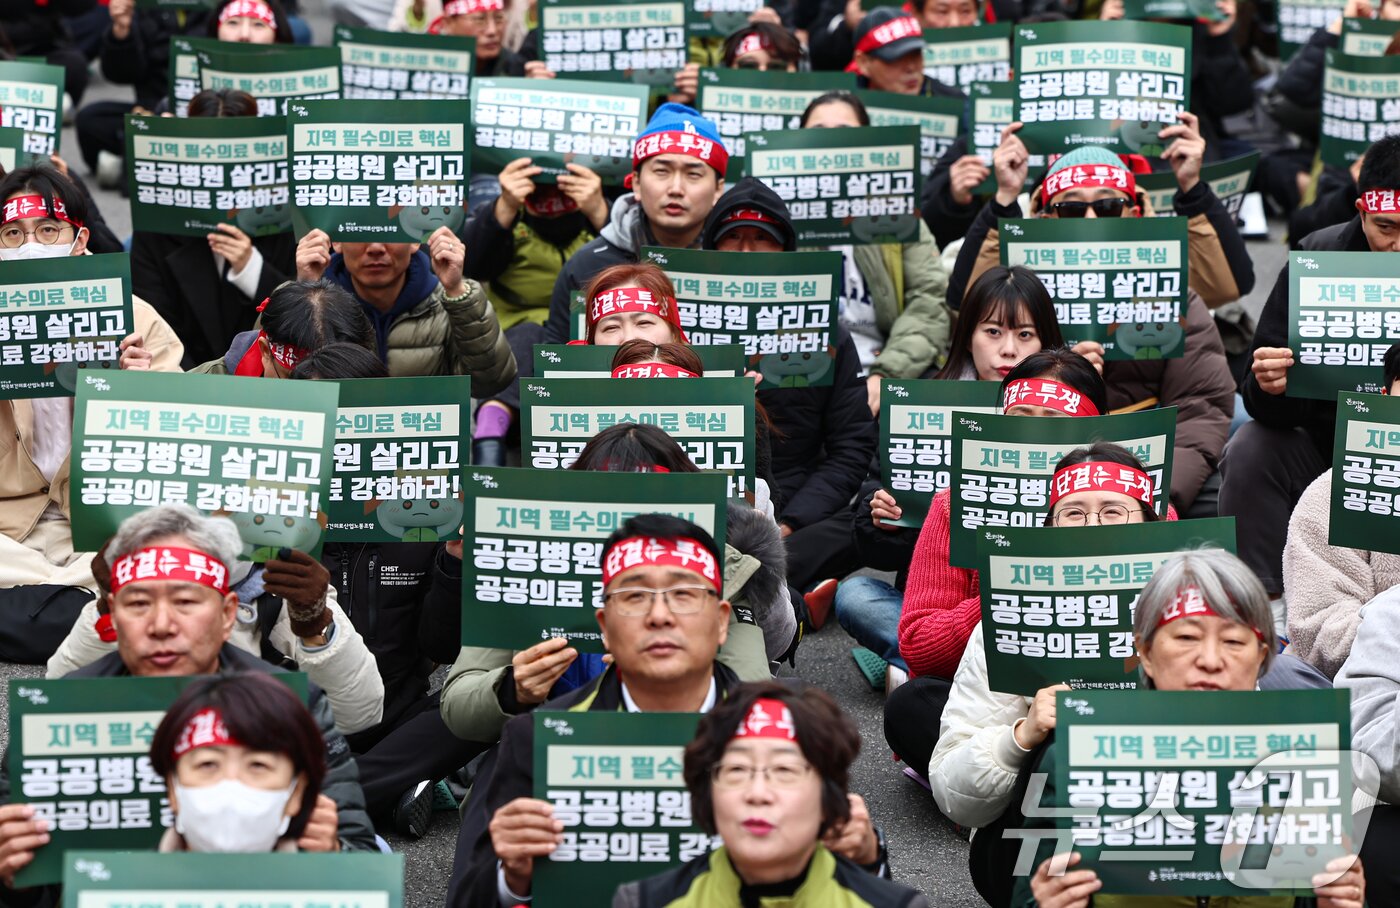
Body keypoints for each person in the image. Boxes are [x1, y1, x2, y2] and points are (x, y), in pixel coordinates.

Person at [0, 505, 376, 896]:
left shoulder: (291, 705)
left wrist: (331, 855)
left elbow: (361, 861)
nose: (162, 625)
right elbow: (34, 887)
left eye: (185, 602)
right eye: (139, 603)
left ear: (227, 614)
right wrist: (12, 877)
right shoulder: (60, 711)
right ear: (111, 613)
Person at [448, 514, 823, 906]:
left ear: (721, 621)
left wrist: (853, 860)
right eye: (635, 597)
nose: (659, 615)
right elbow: (478, 896)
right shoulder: (536, 741)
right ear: (604, 627)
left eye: (683, 595)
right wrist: (514, 879)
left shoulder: (788, 735)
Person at [1015, 548, 1365, 908]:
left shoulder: (1304, 759)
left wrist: (1336, 900)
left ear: (1261, 657)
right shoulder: (1074, 756)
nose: (1210, 661)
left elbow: (1314, 889)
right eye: (1187, 638)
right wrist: (1046, 902)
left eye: (1233, 641)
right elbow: (1027, 893)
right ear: (1146, 653)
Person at [438, 426, 786, 757]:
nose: (629, 526)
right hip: (552, 762)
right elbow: (458, 704)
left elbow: (750, 700)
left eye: (647, 506)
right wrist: (512, 689)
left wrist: (672, 683)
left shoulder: (714, 574)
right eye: (608, 503)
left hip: (682, 764)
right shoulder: (530, 569)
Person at [951, 124, 1241, 515]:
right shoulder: (1020, 296)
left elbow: (1200, 406)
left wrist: (1156, 498)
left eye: (1107, 207)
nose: (1089, 219)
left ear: (1133, 213)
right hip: (1032, 459)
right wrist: (1062, 374)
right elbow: (967, 301)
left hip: (1141, 467)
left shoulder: (1170, 293)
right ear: (1044, 217)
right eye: (1071, 208)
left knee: (1229, 485)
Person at [837, 266, 1076, 688]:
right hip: (947, 610)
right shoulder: (923, 407)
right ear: (968, 335)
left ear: (1047, 341)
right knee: (856, 596)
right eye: (993, 332)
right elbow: (868, 543)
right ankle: (942, 669)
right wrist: (885, 520)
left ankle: (927, 676)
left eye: (1025, 335)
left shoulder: (1074, 406)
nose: (1008, 350)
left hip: (1046, 606)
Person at [885, 349, 1112, 782]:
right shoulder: (954, 505)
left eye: (1054, 424)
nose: (1032, 436)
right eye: (1019, 417)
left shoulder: (1142, 509)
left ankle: (1019, 792)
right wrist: (1013, 590)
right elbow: (918, 643)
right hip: (992, 703)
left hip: (1105, 698)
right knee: (911, 706)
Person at [0, 165, 184, 664]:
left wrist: (138, 391)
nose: (29, 246)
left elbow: (175, 456)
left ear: (80, 239)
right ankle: (91, 605)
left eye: (47, 230)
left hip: (97, 528)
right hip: (9, 527)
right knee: (144, 585)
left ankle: (47, 602)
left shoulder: (136, 318)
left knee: (165, 546)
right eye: (13, 234)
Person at [1220, 133, 1400, 613]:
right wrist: (1270, 384)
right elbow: (1263, 401)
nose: (1397, 245)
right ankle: (1264, 608)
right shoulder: (1318, 258)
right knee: (1251, 446)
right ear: (1362, 210)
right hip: (1327, 450)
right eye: (1386, 227)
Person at [613, 682, 928, 907]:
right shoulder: (645, 902)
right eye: (737, 770)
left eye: (784, 771)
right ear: (707, 791)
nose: (758, 793)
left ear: (828, 794)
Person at [797, 93, 953, 413]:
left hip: (886, 369)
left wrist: (887, 375)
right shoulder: (779, 216)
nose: (832, 144)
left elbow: (929, 298)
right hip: (804, 377)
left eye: (844, 132)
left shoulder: (897, 212)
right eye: (819, 132)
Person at [130, 88, 298, 370]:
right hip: (181, 380)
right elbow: (155, 328)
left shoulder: (283, 223)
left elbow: (300, 324)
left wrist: (252, 270)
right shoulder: (157, 228)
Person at [461, 154, 609, 465]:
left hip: (589, 332)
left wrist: (600, 212)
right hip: (519, 336)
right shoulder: (512, 217)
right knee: (529, 337)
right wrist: (505, 206)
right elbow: (472, 266)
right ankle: (489, 435)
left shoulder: (601, 215)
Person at [541, 103, 729, 345]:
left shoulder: (735, 265)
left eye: (693, 174)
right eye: (662, 171)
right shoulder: (588, 264)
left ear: (718, 189)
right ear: (637, 183)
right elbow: (555, 358)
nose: (676, 189)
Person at [293, 210, 516, 392]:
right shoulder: (313, 298)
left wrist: (457, 291)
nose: (376, 248)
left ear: (415, 240)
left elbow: (491, 381)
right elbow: (279, 380)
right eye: (361, 231)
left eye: (390, 231)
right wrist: (303, 293)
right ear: (337, 242)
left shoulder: (449, 301)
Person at [1282, 342, 1400, 678]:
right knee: (1281, 671)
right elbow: (1319, 623)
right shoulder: (1333, 495)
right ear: (1384, 398)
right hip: (1366, 683)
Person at [149, 672, 328, 853]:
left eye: (257, 765)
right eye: (208, 764)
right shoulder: (135, 872)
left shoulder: (324, 872)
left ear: (296, 792)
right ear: (172, 788)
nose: (230, 785)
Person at [846, 7, 962, 98]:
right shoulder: (843, 108)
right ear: (863, 63)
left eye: (916, 54)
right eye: (896, 58)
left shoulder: (954, 104)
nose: (911, 68)